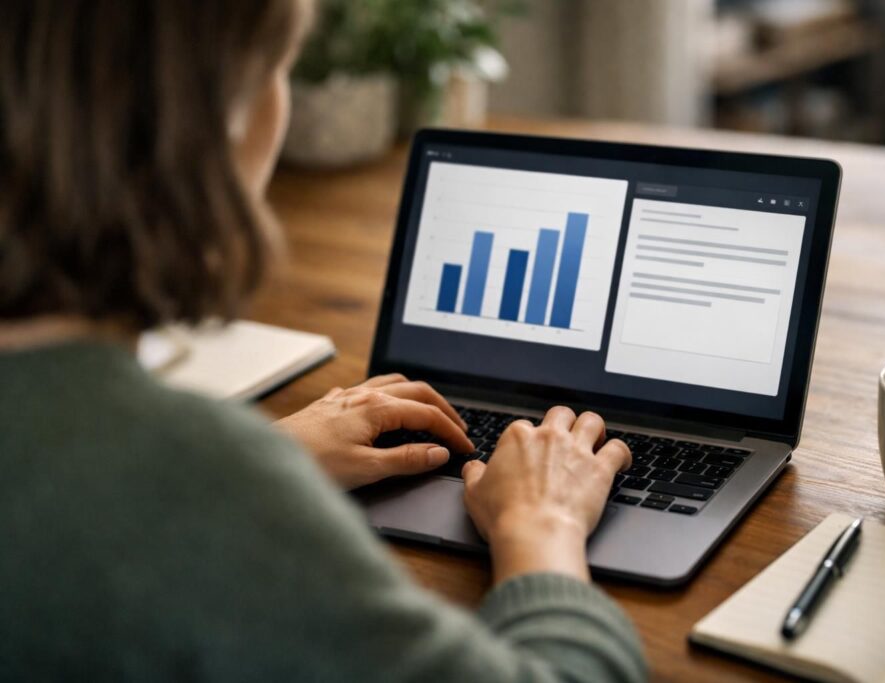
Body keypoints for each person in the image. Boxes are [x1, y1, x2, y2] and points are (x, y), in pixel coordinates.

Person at [0, 1, 646, 680]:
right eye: (280, 68)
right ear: (219, 120)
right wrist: (541, 525)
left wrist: (260, 458)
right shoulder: (204, 493)